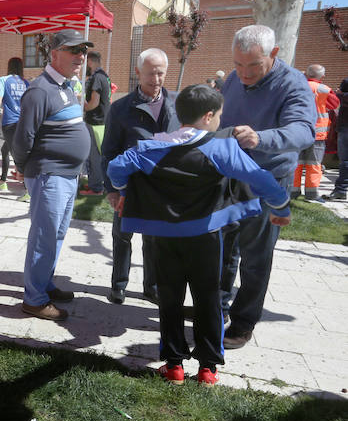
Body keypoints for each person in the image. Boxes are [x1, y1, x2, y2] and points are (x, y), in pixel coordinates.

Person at [107, 84, 291, 386]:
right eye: (219, 115)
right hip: (206, 237)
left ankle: (175, 365)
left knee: (170, 298)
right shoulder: (222, 148)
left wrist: (123, 191)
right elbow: (261, 178)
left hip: (164, 237)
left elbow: (116, 168)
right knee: (209, 298)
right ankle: (208, 369)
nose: (220, 120)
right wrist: (281, 206)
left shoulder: (150, 148)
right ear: (208, 117)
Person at [218, 24, 316, 350]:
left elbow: (304, 130)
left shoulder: (294, 85)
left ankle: (243, 321)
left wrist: (262, 138)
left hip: (266, 181)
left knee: (255, 256)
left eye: (253, 66)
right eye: (238, 64)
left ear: (274, 55)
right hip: (229, 179)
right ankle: (217, 308)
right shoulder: (233, 79)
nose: (244, 73)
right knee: (221, 249)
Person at [11, 29, 93, 321]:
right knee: (44, 237)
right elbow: (22, 140)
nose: (81, 56)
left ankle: (44, 284)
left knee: (56, 235)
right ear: (54, 54)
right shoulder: (40, 90)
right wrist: (25, 169)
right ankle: (34, 299)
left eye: (83, 50)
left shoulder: (68, 86)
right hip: (49, 175)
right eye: (74, 50)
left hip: (67, 175)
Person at [101, 48, 179, 305]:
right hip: (129, 186)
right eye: (150, 73)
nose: (156, 79)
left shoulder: (176, 105)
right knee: (122, 236)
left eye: (160, 73)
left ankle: (151, 286)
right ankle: (118, 285)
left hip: (162, 188)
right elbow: (109, 151)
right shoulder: (121, 108)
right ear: (138, 72)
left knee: (155, 239)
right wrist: (111, 189)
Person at [291, 64, 340, 201]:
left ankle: (293, 192)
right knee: (314, 164)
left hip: (297, 132)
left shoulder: (296, 86)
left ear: (306, 74)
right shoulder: (325, 90)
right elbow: (335, 105)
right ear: (322, 77)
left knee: (296, 163)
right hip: (316, 134)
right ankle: (311, 194)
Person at [0, 58, 29, 193]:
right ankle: (2, 181)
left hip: (10, 123)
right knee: (5, 150)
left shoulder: (3, 80)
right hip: (23, 122)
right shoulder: (26, 82)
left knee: (17, 156)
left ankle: (28, 190)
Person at [80, 51, 111, 196]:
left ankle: (96, 188)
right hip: (101, 122)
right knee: (98, 156)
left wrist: (81, 104)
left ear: (90, 61)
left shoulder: (97, 78)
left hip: (95, 122)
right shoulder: (104, 76)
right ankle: (98, 185)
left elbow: (93, 103)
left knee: (94, 157)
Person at [324, 77, 348, 201]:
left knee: (345, 161)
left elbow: (337, 100)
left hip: (345, 128)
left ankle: (341, 190)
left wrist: (339, 94)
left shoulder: (345, 85)